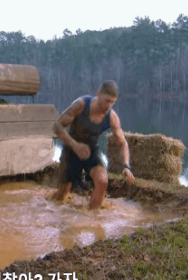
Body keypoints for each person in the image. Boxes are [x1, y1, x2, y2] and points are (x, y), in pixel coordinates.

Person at [51, 81, 136, 209]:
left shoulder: (112, 116)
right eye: (107, 100)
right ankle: (50, 205)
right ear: (98, 95)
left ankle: (91, 216)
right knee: (62, 195)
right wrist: (75, 145)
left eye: (112, 102)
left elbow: (122, 143)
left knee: (102, 181)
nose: (109, 105)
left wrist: (126, 166)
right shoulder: (81, 105)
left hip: (91, 150)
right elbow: (57, 126)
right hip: (71, 148)